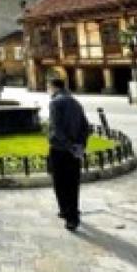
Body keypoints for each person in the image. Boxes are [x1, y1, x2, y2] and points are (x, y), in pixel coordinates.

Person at [47, 77, 90, 231]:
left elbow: (56, 129)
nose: (48, 90)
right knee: (73, 183)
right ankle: (73, 211)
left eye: (48, 87)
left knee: (60, 182)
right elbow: (86, 127)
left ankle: (68, 214)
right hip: (75, 150)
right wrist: (80, 145)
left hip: (60, 149)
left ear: (53, 87)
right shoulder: (76, 102)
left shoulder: (55, 102)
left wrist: (68, 146)